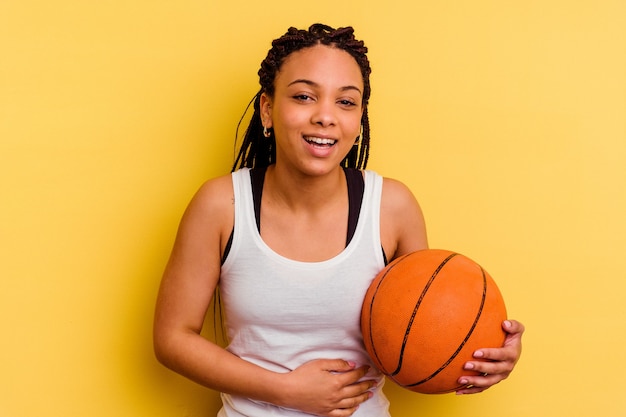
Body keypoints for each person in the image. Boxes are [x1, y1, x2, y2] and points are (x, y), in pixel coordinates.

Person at [153, 23, 524, 417]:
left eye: (346, 102)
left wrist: (481, 356)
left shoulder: (392, 206)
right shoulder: (221, 204)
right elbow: (172, 338)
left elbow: (426, 330)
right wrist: (285, 390)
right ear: (267, 108)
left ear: (360, 117)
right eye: (303, 96)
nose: (325, 117)